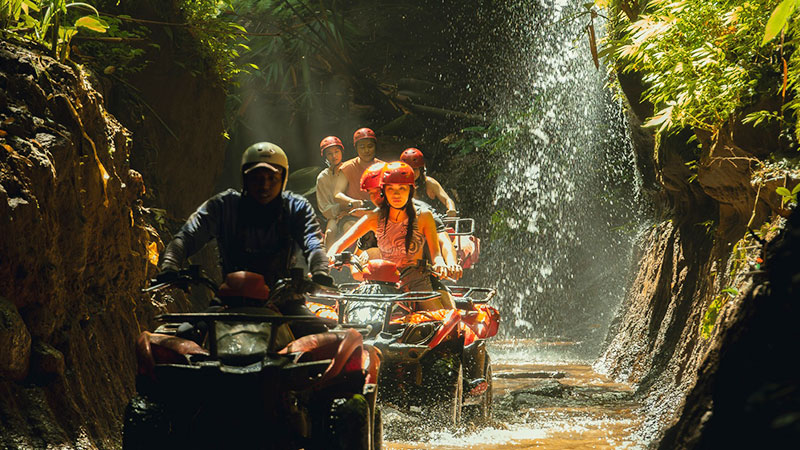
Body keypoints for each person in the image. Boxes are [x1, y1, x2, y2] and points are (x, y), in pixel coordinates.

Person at [156, 142, 333, 332]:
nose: (264, 185)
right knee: (184, 338)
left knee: (322, 343)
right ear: (244, 178)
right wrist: (170, 264)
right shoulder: (223, 205)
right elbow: (187, 236)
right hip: (230, 300)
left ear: (283, 178)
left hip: (285, 301)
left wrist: (320, 271)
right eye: (256, 178)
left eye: (272, 178)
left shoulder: (296, 207)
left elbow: (313, 243)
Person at [327, 162, 450, 309]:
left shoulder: (424, 216)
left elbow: (436, 253)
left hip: (416, 281)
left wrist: (441, 263)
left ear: (411, 190)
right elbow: (339, 244)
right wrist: (328, 259)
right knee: (349, 312)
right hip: (382, 281)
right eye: (390, 189)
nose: (396, 194)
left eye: (402, 189)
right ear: (384, 191)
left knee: (443, 321)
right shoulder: (373, 218)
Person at [334, 128, 384, 223]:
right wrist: (352, 201)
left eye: (370, 146)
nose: (366, 150)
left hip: (379, 213)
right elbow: (337, 194)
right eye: (362, 147)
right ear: (356, 148)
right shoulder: (347, 167)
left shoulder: (384, 167)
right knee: (349, 227)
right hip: (354, 214)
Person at [400, 147, 458, 217]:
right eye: (409, 170)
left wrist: (451, 209)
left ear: (421, 169)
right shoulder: (399, 185)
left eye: (415, 169)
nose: (412, 173)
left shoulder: (429, 183)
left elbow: (447, 199)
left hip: (434, 222)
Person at [315, 136, 346, 246]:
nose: (334, 156)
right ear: (325, 157)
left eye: (336, 152)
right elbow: (325, 208)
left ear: (341, 152)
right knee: (330, 233)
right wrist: (341, 208)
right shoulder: (323, 178)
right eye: (329, 153)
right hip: (335, 216)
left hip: (355, 212)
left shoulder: (350, 169)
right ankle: (329, 261)